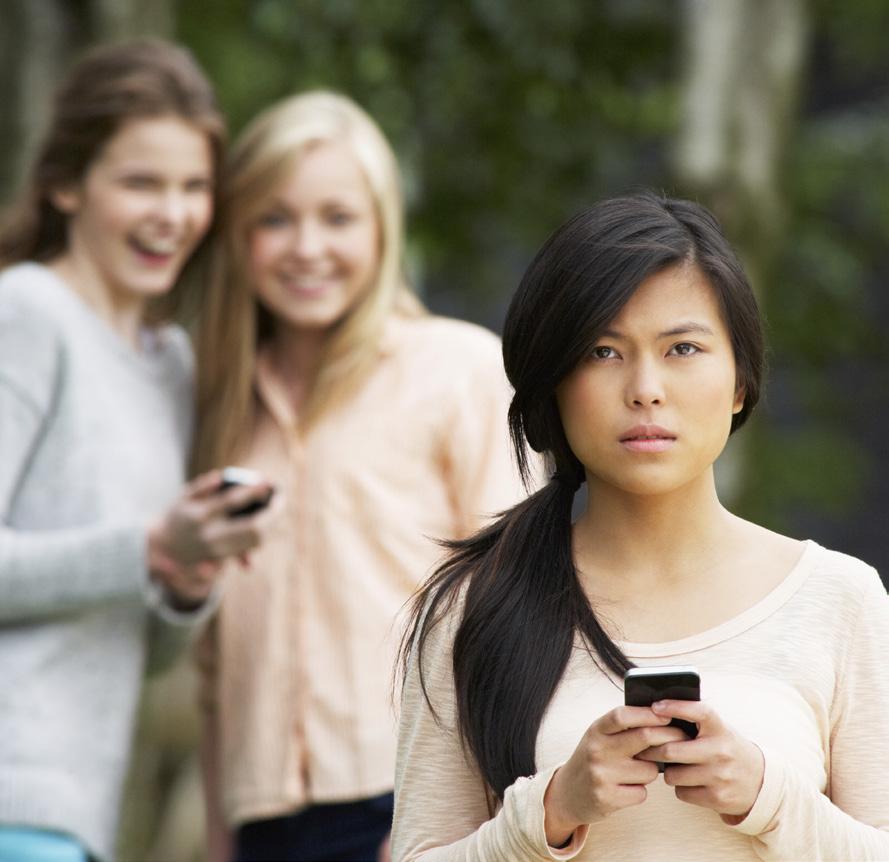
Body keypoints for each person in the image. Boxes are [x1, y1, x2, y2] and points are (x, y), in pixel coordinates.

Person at [393, 193, 889, 861]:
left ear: (739, 382)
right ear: (554, 386)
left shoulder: (840, 600)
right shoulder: (473, 607)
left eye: (682, 347)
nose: (645, 387)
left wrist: (766, 798)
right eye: (602, 352)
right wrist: (551, 811)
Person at [192, 90, 527, 862]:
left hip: (409, 809)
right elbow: (216, 673)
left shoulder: (458, 371)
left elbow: (522, 607)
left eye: (337, 218)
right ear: (237, 234)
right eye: (274, 219)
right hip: (261, 824)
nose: (307, 247)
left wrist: (465, 821)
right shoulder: (219, 407)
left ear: (382, 227)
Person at [0, 39, 277, 862]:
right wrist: (150, 547)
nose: (174, 213)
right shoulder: (27, 313)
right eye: (141, 183)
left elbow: (143, 648)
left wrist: (186, 577)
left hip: (78, 808)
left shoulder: (170, 366)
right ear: (64, 185)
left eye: (194, 187)